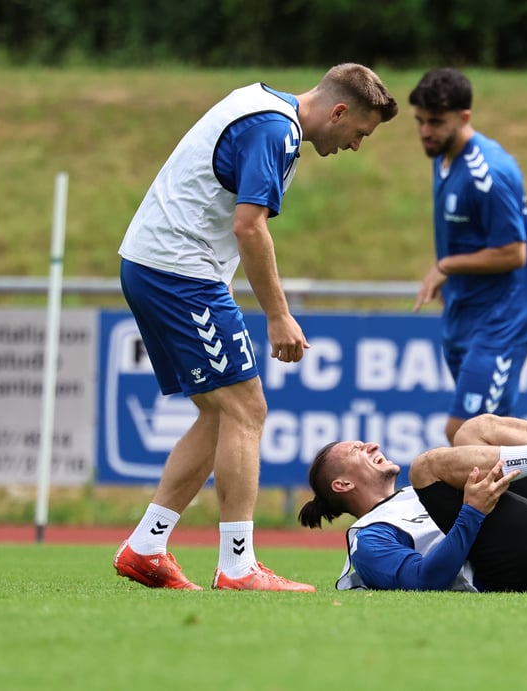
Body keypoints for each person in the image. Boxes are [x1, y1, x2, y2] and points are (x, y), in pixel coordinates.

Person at [113, 64, 398, 592]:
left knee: (222, 414)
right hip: (181, 273)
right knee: (248, 408)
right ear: (338, 112)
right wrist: (278, 314)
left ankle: (147, 547)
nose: (356, 145)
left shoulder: (260, 104)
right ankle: (238, 567)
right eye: (359, 133)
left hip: (154, 265)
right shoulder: (276, 130)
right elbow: (249, 225)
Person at [298, 379, 527, 592]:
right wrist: (470, 513)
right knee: (427, 464)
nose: (370, 445)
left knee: (471, 432)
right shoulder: (369, 537)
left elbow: (518, 483)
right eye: (357, 450)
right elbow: (424, 579)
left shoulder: (422, 492)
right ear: (342, 484)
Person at [409, 67, 527, 445]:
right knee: (496, 439)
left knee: (464, 434)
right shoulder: (443, 157)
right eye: (420, 121)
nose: (425, 131)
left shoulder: (489, 172)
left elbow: (513, 252)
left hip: (503, 319)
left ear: (464, 117)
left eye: (435, 122)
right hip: (466, 315)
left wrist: (445, 266)